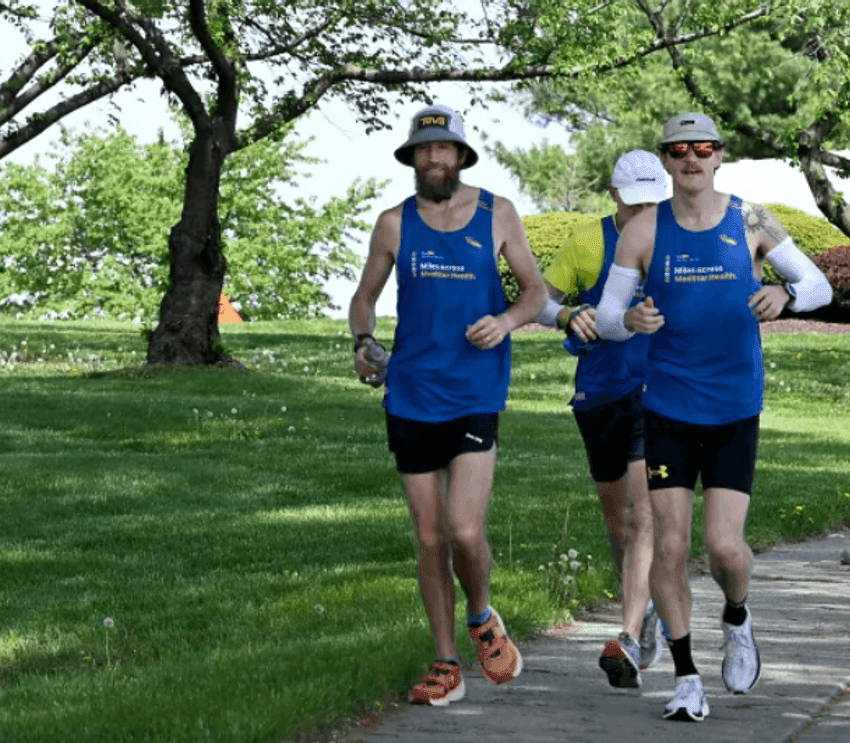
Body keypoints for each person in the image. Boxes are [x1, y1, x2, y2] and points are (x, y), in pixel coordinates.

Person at [594, 113, 833, 722]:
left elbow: (818, 286)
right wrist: (631, 321)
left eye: (702, 148)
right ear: (666, 160)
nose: (691, 159)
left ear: (720, 155)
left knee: (725, 548)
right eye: (679, 150)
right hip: (667, 408)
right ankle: (686, 677)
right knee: (670, 544)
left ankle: (737, 616)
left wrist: (785, 294)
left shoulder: (751, 220)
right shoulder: (643, 229)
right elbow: (610, 316)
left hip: (733, 408)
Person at [349, 104, 547, 707]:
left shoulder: (496, 213)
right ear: (412, 157)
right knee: (431, 538)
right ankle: (445, 663)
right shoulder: (393, 224)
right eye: (424, 149)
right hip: (411, 392)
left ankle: (481, 616)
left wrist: (505, 321)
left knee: (463, 528)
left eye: (444, 148)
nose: (434, 158)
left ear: (460, 155)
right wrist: (363, 342)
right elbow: (363, 299)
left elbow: (535, 291)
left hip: (474, 392)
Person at [533, 150, 667, 689]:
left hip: (658, 391)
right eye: (634, 204)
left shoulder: (678, 240)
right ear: (613, 196)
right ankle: (645, 609)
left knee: (643, 515)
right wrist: (567, 315)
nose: (643, 213)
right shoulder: (588, 242)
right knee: (619, 527)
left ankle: (628, 635)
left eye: (652, 203)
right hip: (599, 392)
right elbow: (538, 299)